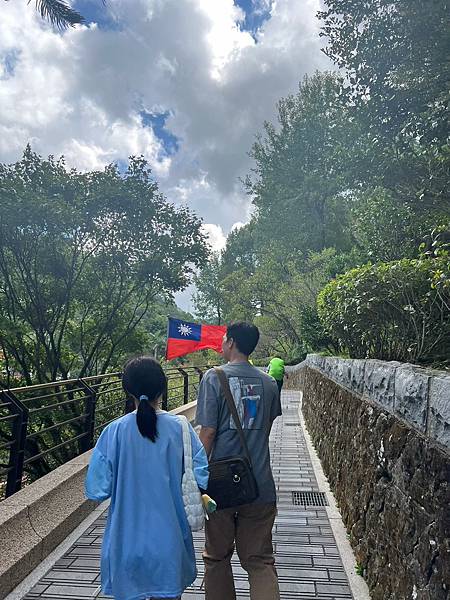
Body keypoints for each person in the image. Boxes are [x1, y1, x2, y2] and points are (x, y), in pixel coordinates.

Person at [85, 356, 209, 600]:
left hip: (125, 543)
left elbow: (97, 488)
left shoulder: (113, 432)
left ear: (128, 390)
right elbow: (201, 474)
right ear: (162, 388)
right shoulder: (180, 428)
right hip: (170, 543)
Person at [196, 322, 282, 600]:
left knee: (217, 557)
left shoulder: (213, 378)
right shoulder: (269, 383)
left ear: (231, 342)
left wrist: (196, 476)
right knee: (259, 561)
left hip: (220, 485)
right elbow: (265, 428)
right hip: (259, 484)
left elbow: (208, 433)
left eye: (224, 339)